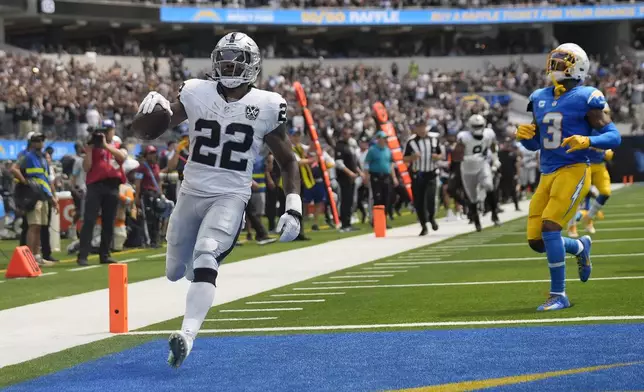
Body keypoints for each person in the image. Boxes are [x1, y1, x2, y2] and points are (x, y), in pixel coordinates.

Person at [136, 32, 302, 368]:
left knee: (207, 251)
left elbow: (288, 160)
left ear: (250, 65)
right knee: (173, 271)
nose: (227, 66)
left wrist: (294, 208)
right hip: (191, 191)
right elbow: (161, 124)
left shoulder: (267, 105)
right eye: (223, 59)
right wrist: (149, 116)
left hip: (231, 193)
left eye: (235, 60)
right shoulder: (197, 91)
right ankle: (197, 279)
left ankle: (187, 334)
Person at [515, 43, 621, 311]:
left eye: (563, 61)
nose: (556, 66)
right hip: (546, 173)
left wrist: (588, 140)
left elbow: (614, 137)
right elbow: (538, 143)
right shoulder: (539, 96)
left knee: (551, 227)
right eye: (556, 60)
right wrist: (526, 139)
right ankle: (579, 246)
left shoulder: (586, 96)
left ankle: (558, 295)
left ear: (578, 66)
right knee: (536, 241)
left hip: (574, 169)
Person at [77, 119, 126, 266]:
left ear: (113, 131)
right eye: (103, 131)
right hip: (95, 186)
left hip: (112, 186)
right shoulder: (93, 147)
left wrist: (105, 145)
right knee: (90, 220)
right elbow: (86, 167)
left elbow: (122, 157)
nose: (105, 134)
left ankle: (105, 254)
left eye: (108, 130)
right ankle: (83, 255)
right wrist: (90, 149)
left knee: (109, 221)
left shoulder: (117, 145)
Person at [11, 132, 59, 265]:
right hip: (33, 195)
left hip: (43, 195)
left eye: (42, 141)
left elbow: (45, 179)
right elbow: (14, 169)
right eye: (37, 141)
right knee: (33, 226)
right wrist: (25, 182)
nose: (40, 143)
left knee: (39, 227)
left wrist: (51, 197)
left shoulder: (43, 158)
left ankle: (37, 256)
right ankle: (29, 257)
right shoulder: (27, 156)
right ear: (32, 143)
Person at [455, 114, 500, 232]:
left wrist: (495, 159)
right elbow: (456, 155)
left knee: (489, 185)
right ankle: (476, 221)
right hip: (467, 169)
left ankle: (494, 213)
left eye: (479, 125)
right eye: (475, 126)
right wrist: (469, 157)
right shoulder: (463, 137)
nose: (477, 128)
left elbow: (493, 145)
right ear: (470, 126)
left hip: (482, 166)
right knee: (473, 197)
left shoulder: (488, 134)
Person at [404, 118, 442, 236]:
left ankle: (431, 217)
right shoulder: (411, 142)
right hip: (418, 174)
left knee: (431, 198)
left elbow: (441, 154)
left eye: (423, 126)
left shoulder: (434, 140)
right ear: (415, 128)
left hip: (431, 173)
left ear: (426, 127)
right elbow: (404, 158)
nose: (421, 129)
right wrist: (413, 158)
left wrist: (437, 157)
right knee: (419, 201)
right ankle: (423, 225)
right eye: (418, 127)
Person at [364, 131, 397, 229]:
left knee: (386, 199)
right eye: (384, 138)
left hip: (386, 176)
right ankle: (376, 221)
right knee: (377, 199)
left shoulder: (388, 150)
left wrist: (394, 177)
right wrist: (366, 176)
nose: (385, 140)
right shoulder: (372, 150)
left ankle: (383, 220)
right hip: (376, 176)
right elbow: (367, 163)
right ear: (378, 139)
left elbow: (391, 164)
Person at [334, 126, 362, 232]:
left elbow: (354, 162)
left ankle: (348, 222)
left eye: (349, 134)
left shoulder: (350, 146)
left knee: (350, 200)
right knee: (345, 201)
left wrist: (359, 172)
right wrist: (350, 173)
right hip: (344, 178)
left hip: (352, 177)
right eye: (346, 133)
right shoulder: (340, 146)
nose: (348, 136)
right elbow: (339, 163)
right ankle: (344, 224)